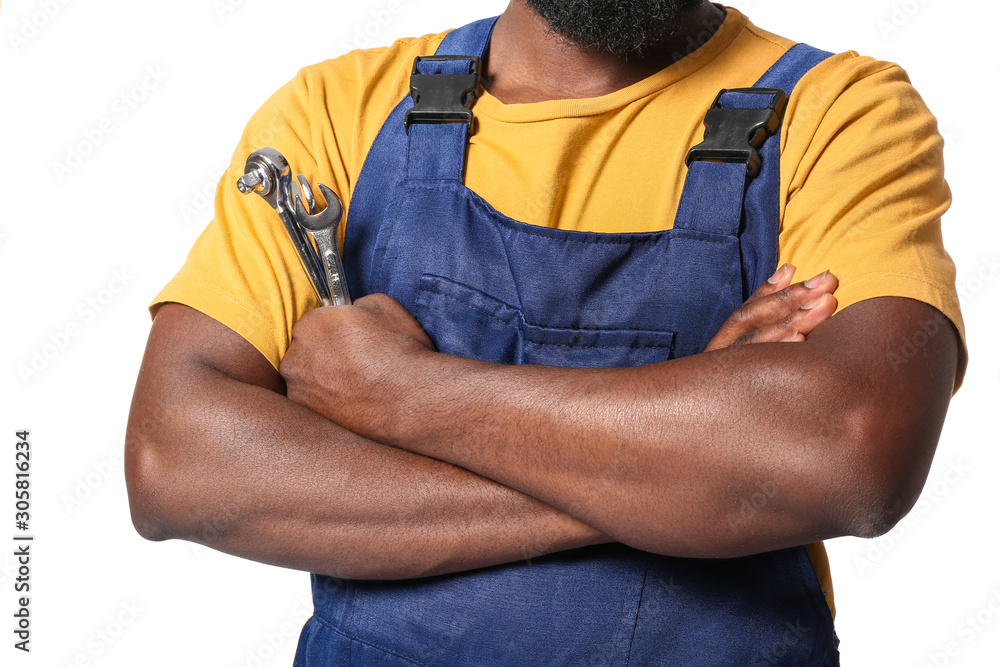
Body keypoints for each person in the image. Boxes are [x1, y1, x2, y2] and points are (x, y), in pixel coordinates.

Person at [124, 1, 965, 664]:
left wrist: (403, 392)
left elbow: (852, 450)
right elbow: (175, 458)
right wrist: (686, 463)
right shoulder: (337, 114)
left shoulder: (839, 116)